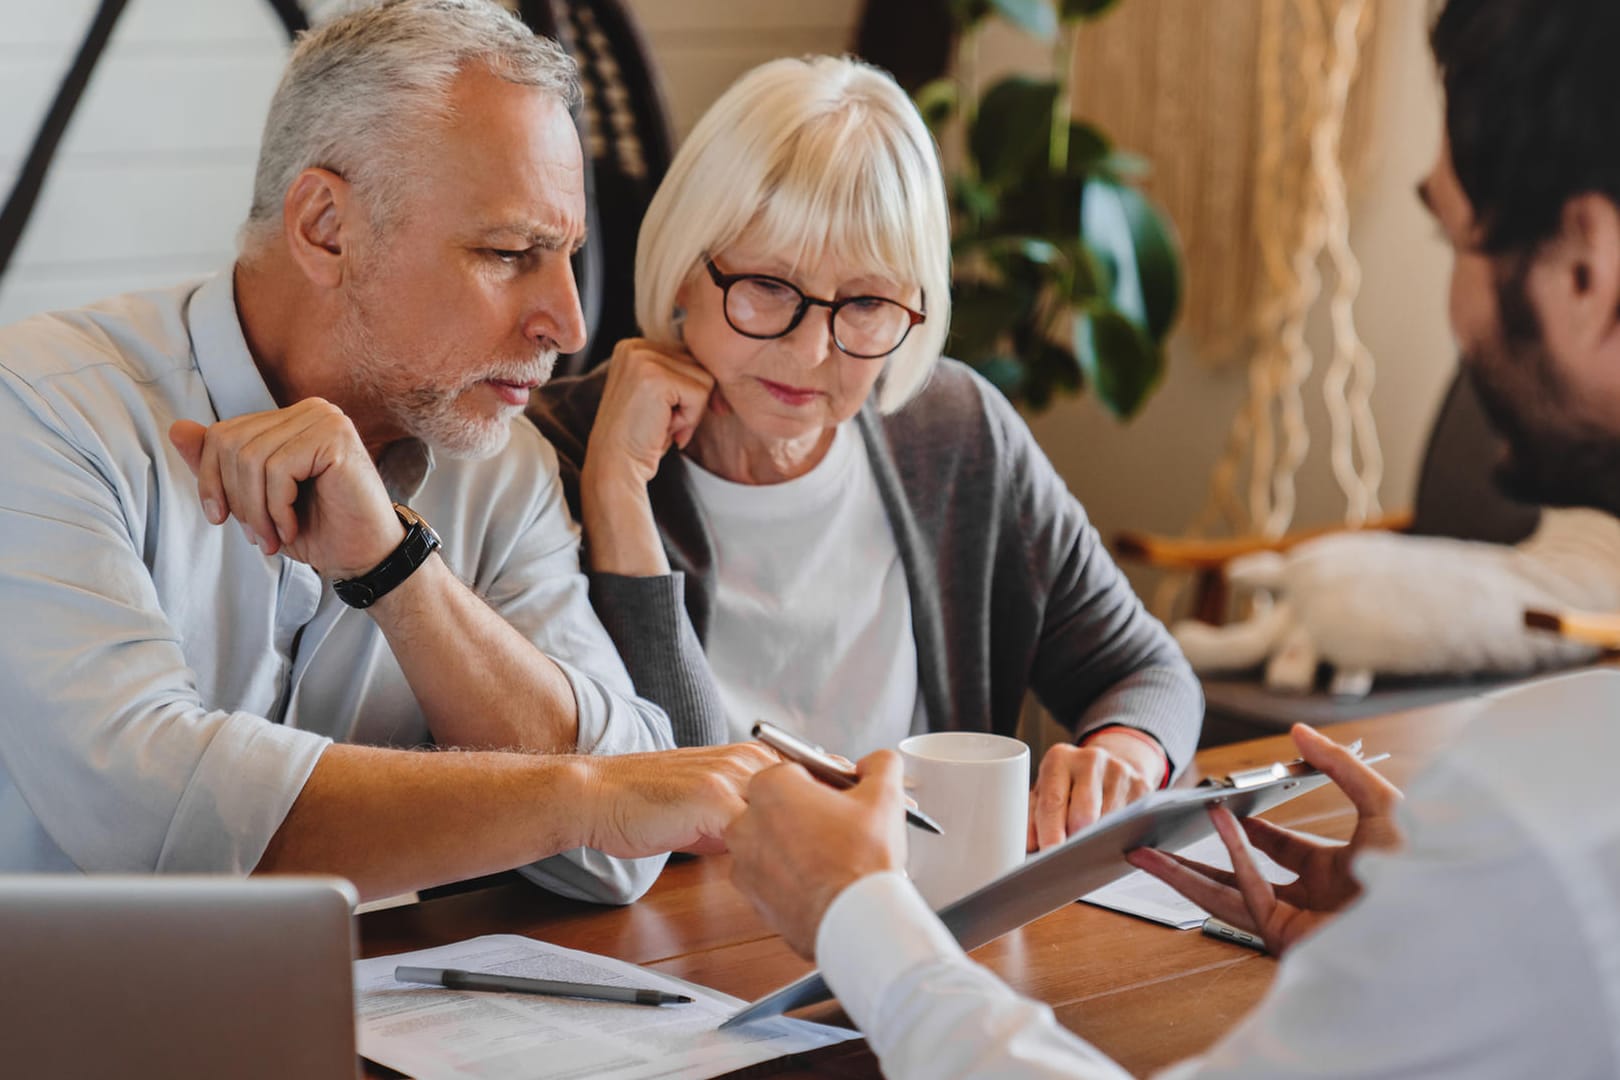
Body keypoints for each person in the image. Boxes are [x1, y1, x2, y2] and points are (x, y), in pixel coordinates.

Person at [724, 0, 1620, 1074]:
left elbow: (1140, 665)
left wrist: (857, 915)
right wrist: (1427, 950)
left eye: (1452, 235)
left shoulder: (1546, 811)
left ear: (1588, 263)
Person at [0, 0, 776, 905]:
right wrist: (580, 794)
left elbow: (622, 854)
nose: (565, 325)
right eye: (508, 250)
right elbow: (157, 821)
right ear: (326, 226)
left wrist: (399, 571)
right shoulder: (42, 411)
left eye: (566, 253)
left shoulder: (503, 468)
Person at [530, 55, 1202, 848]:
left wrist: (1123, 752)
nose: (812, 349)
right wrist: (616, 495)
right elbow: (657, 801)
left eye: (869, 303)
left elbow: (1148, 674)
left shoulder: (952, 430)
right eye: (769, 286)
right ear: (683, 266)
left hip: (917, 925)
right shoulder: (556, 451)